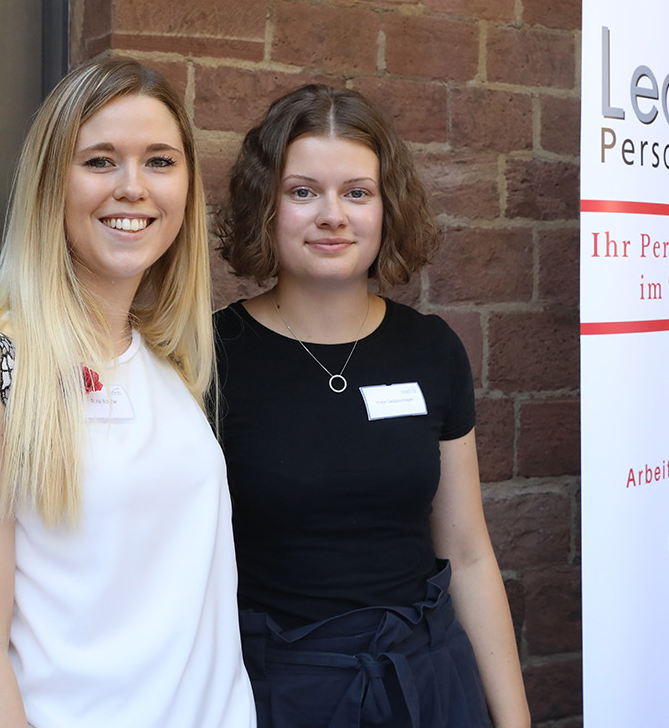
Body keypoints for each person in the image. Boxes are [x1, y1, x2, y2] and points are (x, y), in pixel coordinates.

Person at [0, 57, 255, 727]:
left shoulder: (168, 358)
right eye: (100, 161)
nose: (132, 187)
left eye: (160, 161)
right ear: (51, 182)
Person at [213, 84, 531, 728]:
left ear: (387, 208)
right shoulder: (211, 356)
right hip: (282, 692)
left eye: (357, 193)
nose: (333, 215)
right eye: (303, 192)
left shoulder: (431, 349)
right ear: (265, 205)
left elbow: (468, 551)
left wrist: (514, 719)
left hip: (426, 684)